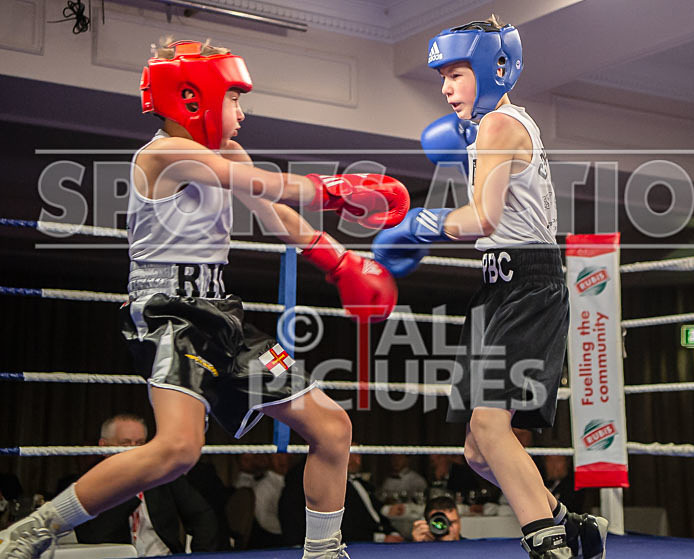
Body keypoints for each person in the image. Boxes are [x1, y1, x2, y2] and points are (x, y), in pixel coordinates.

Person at [0, 39, 408, 559]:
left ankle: (324, 551)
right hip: (167, 314)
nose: (241, 112)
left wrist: (336, 260)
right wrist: (338, 187)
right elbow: (266, 182)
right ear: (194, 98)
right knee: (176, 449)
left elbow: (270, 209)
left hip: (222, 314)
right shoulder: (164, 153)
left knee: (332, 426)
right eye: (234, 98)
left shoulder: (226, 152)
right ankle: (34, 530)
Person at [373, 16, 606, 559]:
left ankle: (548, 546)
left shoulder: (500, 126)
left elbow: (482, 218)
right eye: (442, 76)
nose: (446, 87)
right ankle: (569, 524)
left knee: (489, 424)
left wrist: (420, 224)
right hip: (500, 286)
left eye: (456, 73)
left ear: (493, 68)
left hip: (527, 283)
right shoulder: (490, 128)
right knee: (478, 451)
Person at [73, 414, 218, 555]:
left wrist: (200, 555)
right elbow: (93, 537)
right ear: (104, 447)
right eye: (125, 443)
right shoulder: (89, 483)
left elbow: (202, 516)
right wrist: (127, 485)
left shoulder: (163, 475)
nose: (134, 450)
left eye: (140, 443)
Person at [234, 453, 290, 548]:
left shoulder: (296, 481)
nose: (281, 460)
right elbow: (265, 521)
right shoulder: (261, 487)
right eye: (276, 456)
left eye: (284, 455)